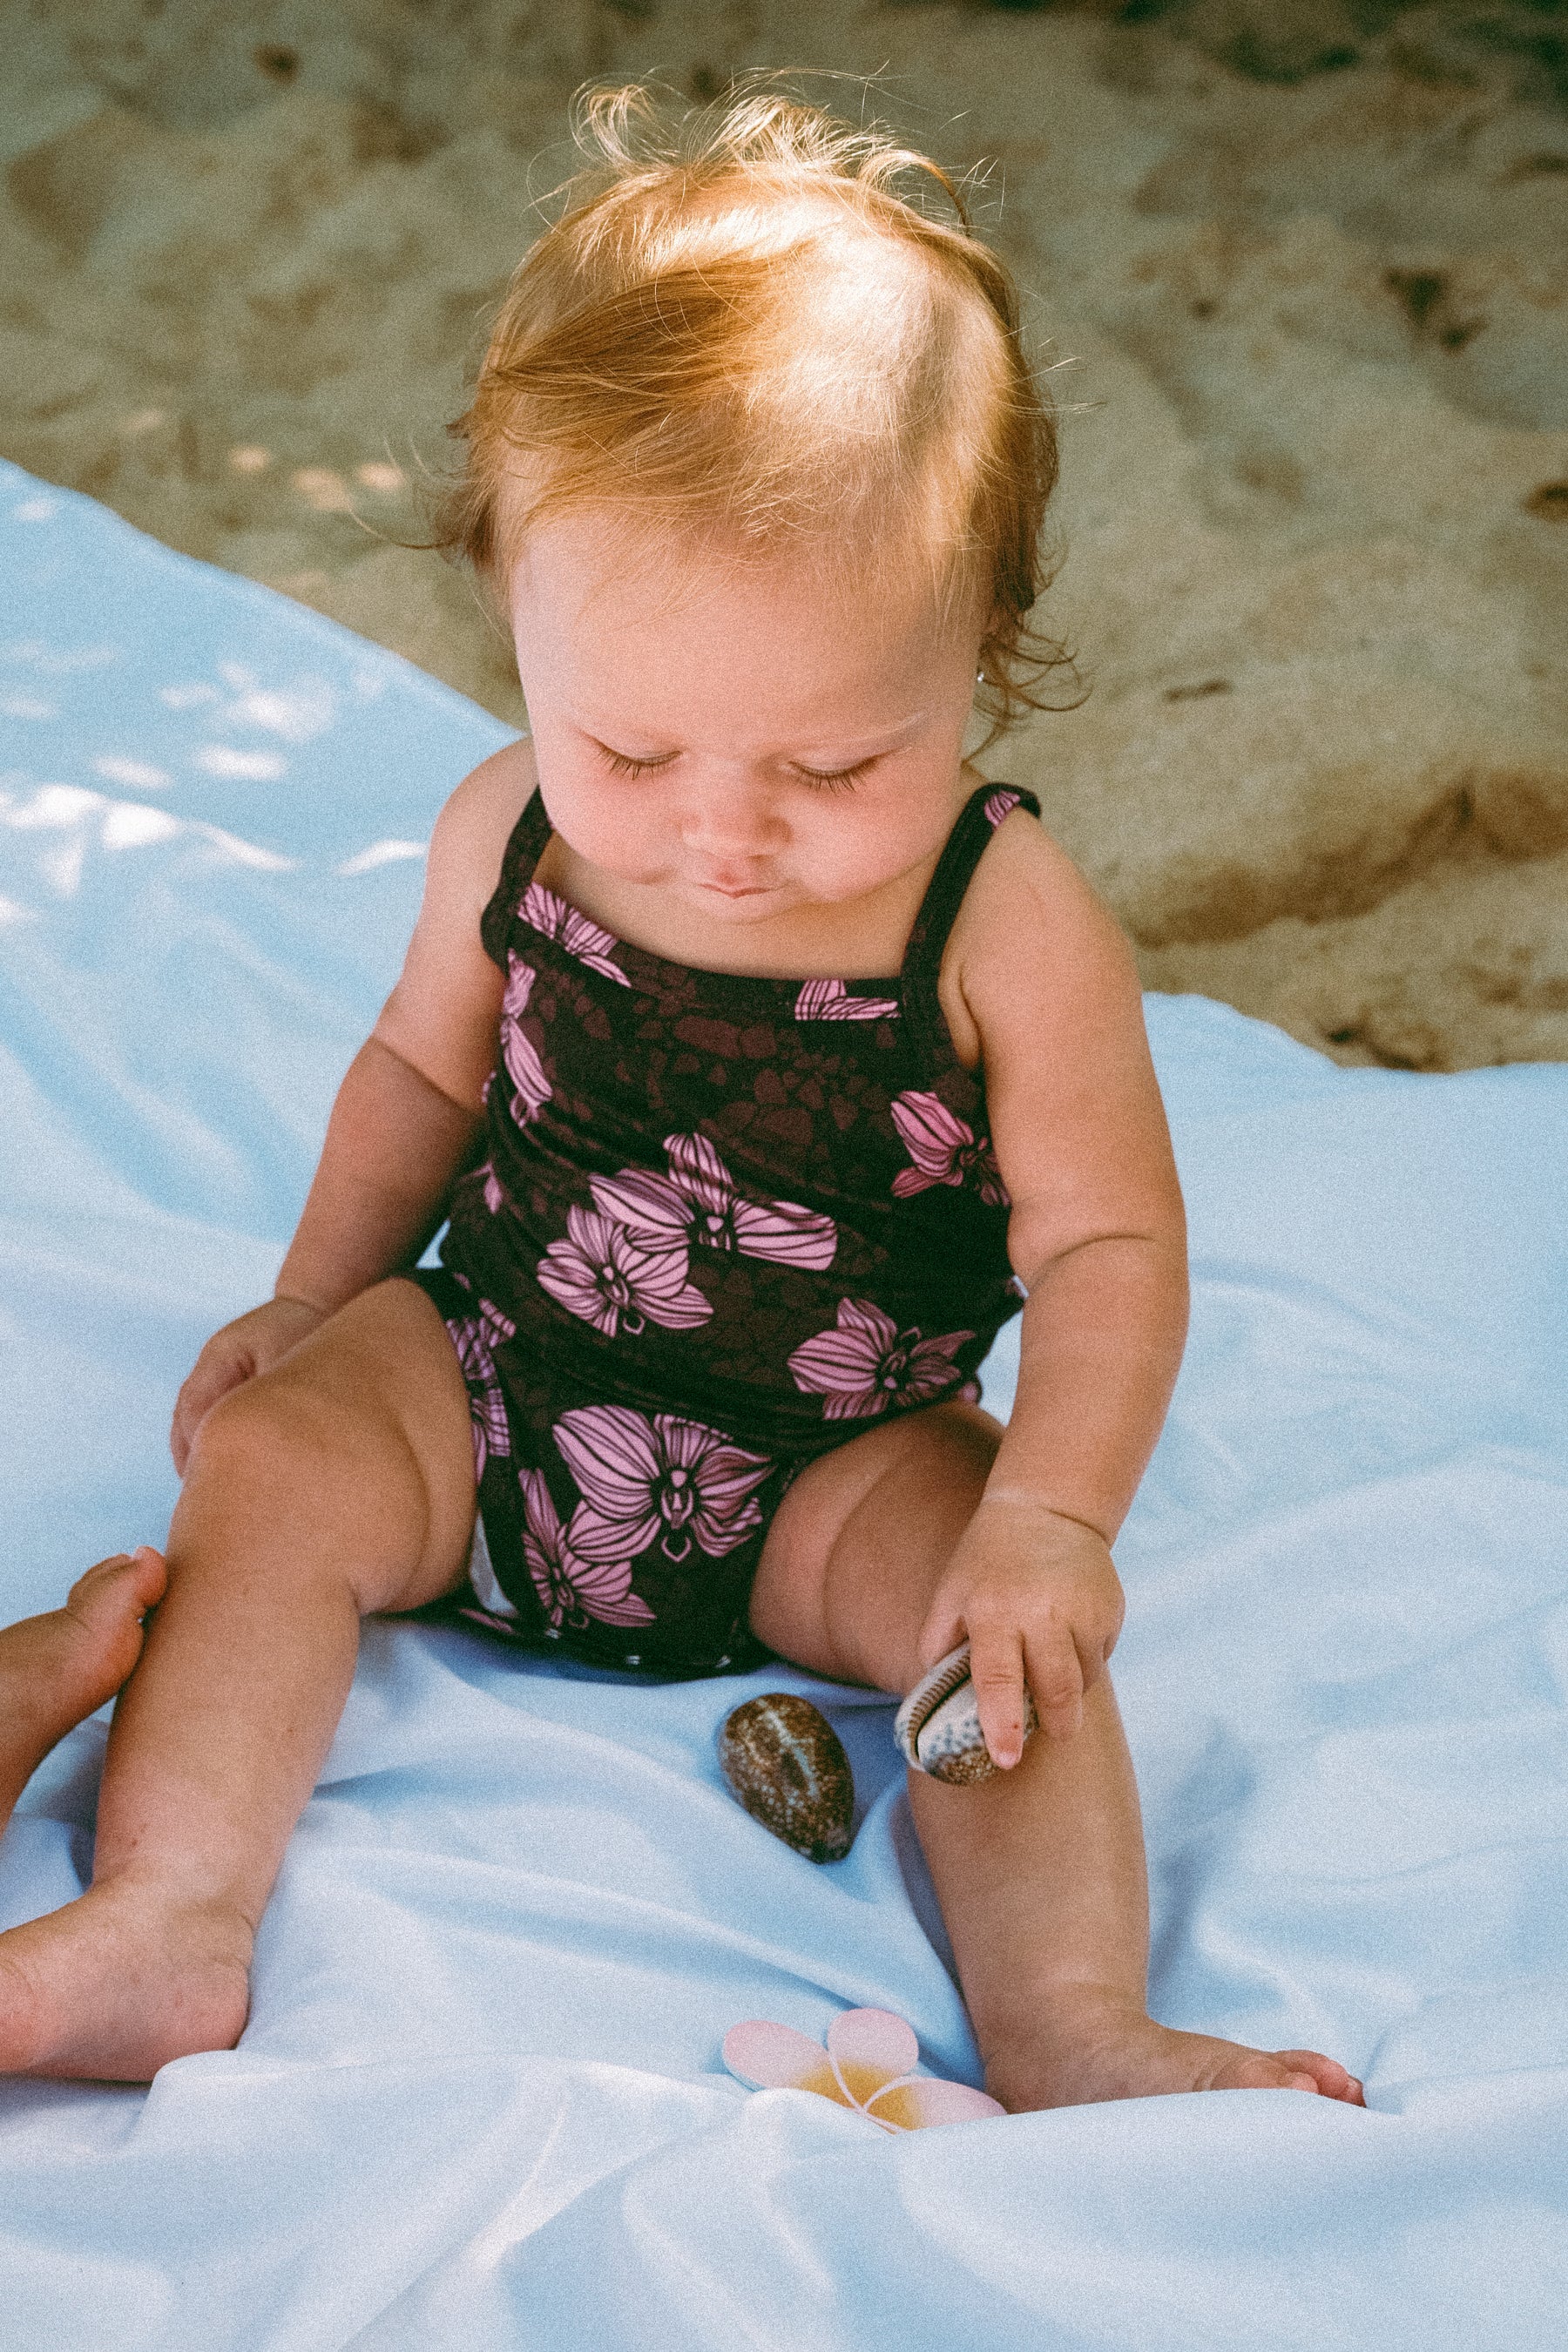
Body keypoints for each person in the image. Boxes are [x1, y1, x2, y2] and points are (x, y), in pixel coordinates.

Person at [0, 85, 1362, 2108]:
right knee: (273, 1471)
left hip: (831, 1458)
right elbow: (415, 1076)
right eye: (634, 750)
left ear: (981, 650)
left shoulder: (1004, 922)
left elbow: (1105, 1244)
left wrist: (1053, 1518)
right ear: (513, 619)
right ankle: (169, 1920)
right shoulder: (512, 830)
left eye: (831, 767)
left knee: (1007, 1645)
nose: (724, 838)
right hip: (493, 1372)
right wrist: (311, 1304)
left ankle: (1074, 2023)